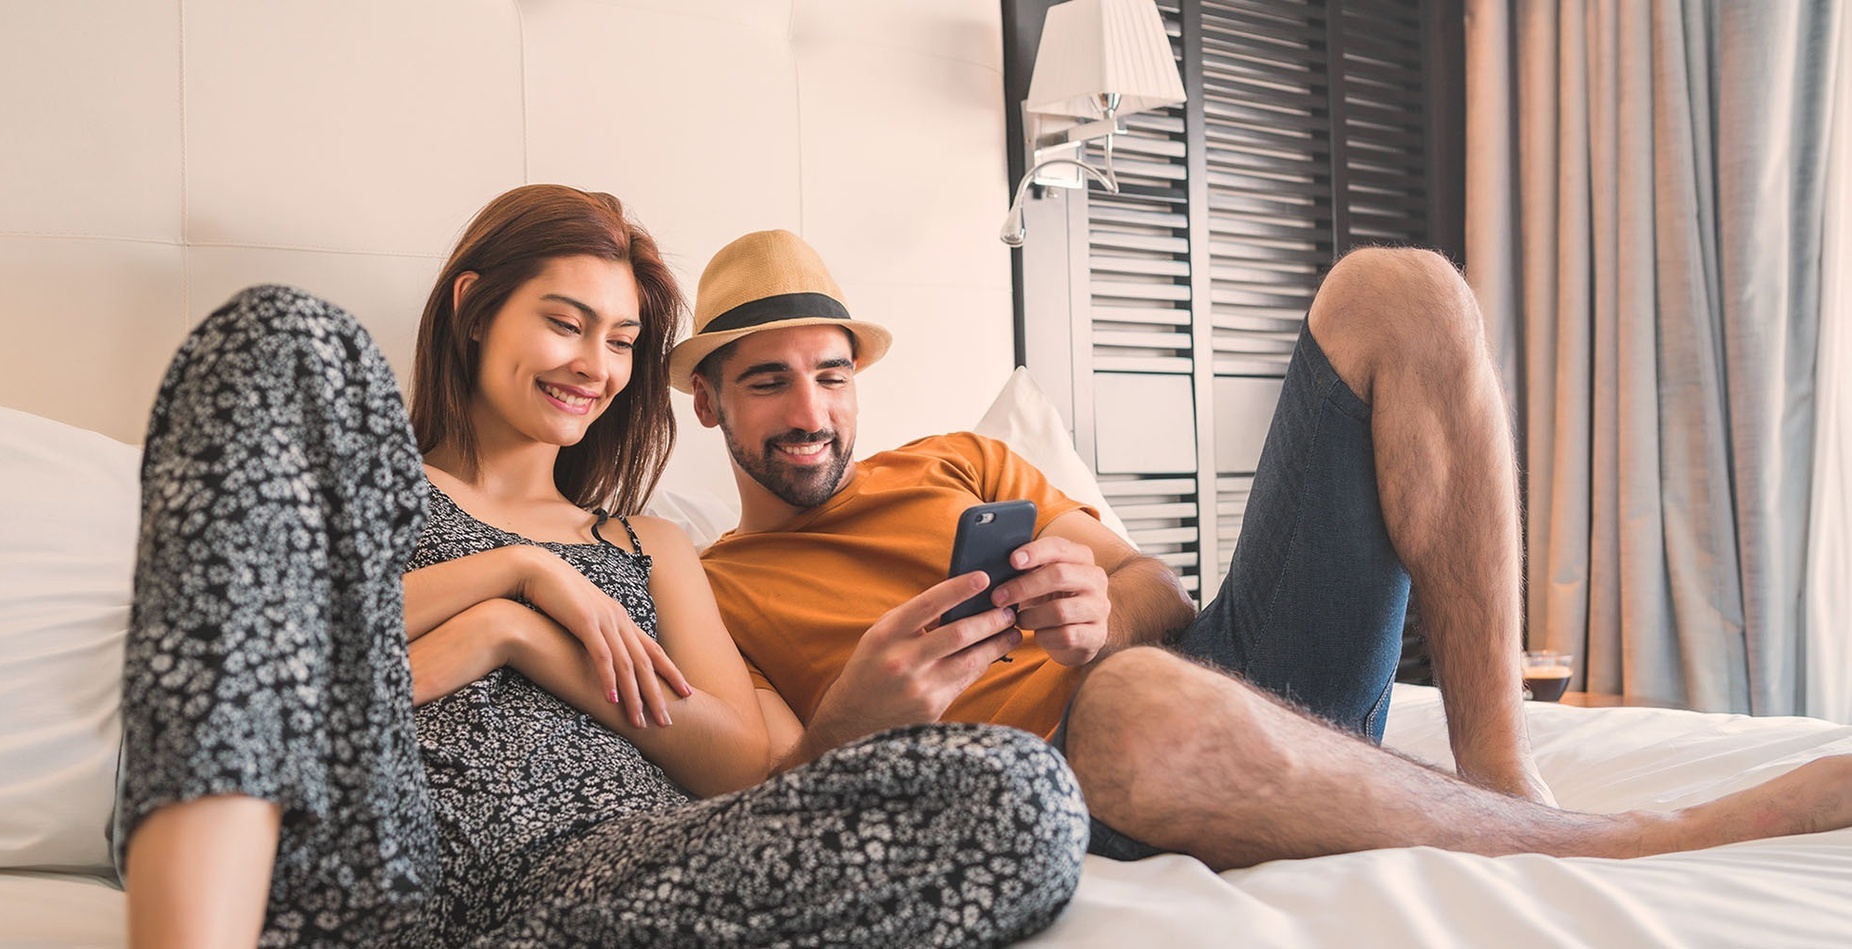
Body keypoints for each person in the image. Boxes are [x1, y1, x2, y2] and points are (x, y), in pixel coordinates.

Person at [681, 228, 1852, 871]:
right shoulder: (711, 592)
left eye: (830, 374)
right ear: (708, 405)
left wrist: (1098, 605)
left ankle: (1502, 777)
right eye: (768, 380)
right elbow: (760, 797)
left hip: (1225, 681)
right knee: (1136, 699)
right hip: (1081, 786)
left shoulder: (953, 463)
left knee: (1400, 291)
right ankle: (1632, 841)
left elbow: (1158, 591)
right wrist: (867, 716)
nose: (810, 409)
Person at [115, 186, 1087, 948]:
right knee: (281, 332)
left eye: (621, 341)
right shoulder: (368, 487)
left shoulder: (648, 543)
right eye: (567, 322)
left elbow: (742, 765)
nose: (596, 364)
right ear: (474, 307)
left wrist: (526, 639)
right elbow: (261, 668)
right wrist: (514, 576)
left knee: (1022, 791)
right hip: (388, 862)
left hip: (621, 877)